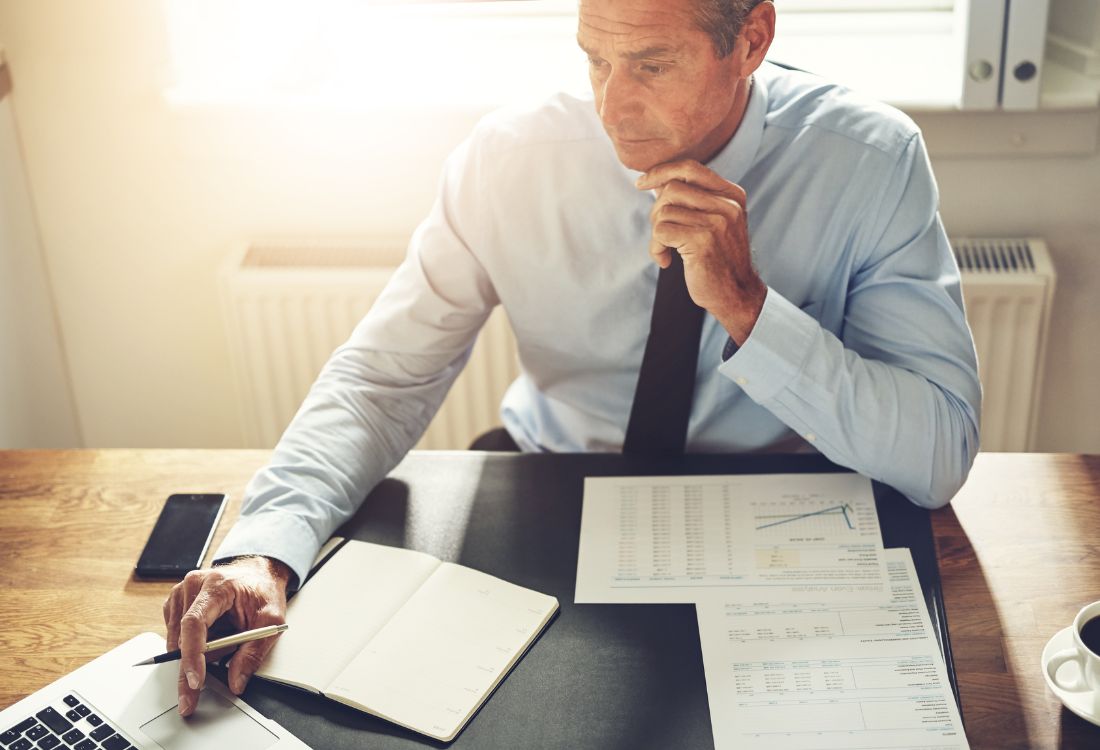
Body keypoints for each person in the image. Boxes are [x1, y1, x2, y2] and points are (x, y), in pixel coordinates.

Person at [164, 0, 981, 715]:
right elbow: (382, 381)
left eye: (652, 64)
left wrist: (749, 309)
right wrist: (265, 545)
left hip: (780, 525)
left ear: (753, 39)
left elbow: (935, 454)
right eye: (595, 59)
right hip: (547, 494)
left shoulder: (872, 161)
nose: (612, 104)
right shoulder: (510, 158)